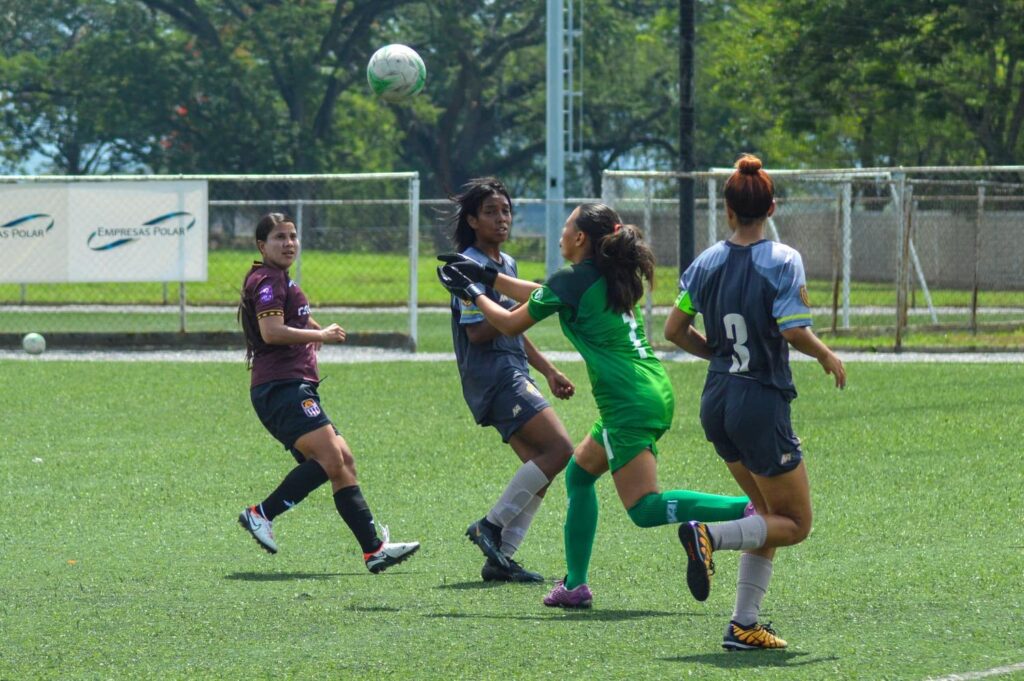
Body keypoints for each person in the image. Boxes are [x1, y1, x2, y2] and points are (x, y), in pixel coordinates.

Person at [437, 202, 750, 609]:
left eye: (567, 227)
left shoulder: (574, 280)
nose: (562, 233)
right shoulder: (606, 274)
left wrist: (475, 292)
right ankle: (575, 585)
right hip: (648, 389)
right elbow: (544, 294)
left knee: (643, 507)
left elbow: (511, 323)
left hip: (627, 401)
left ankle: (746, 509)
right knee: (580, 474)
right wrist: (485, 274)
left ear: (581, 237)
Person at [664, 154, 846, 650]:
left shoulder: (704, 263)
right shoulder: (783, 260)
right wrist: (826, 353)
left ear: (727, 211)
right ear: (771, 207)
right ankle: (710, 536)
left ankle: (743, 623)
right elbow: (792, 328)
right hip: (759, 401)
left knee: (765, 511)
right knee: (796, 523)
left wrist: (717, 354)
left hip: (717, 399)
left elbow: (673, 329)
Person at [236, 212, 419, 573]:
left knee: (343, 460)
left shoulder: (279, 279)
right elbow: (272, 331)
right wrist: (320, 335)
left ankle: (373, 550)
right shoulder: (269, 280)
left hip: (293, 386)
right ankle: (260, 514)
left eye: (292, 236)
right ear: (262, 245)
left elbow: (289, 321)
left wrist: (310, 326)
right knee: (331, 460)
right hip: (281, 388)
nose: (289, 243)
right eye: (279, 238)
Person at [442, 177, 576, 583]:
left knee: (540, 469)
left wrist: (548, 369)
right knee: (561, 452)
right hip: (493, 375)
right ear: (472, 220)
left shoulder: (507, 265)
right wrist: (511, 306)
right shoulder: (466, 264)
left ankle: (500, 558)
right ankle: (491, 525)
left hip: (512, 371)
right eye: (490, 212)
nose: (502, 219)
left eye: (505, 211)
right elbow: (478, 333)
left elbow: (515, 325)